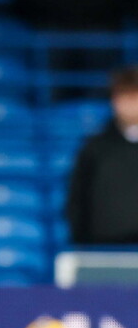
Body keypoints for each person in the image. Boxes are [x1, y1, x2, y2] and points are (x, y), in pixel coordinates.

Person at [66, 67, 138, 244]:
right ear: (114, 100)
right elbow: (77, 201)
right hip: (104, 248)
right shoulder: (94, 148)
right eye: (124, 96)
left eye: (135, 96)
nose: (131, 104)